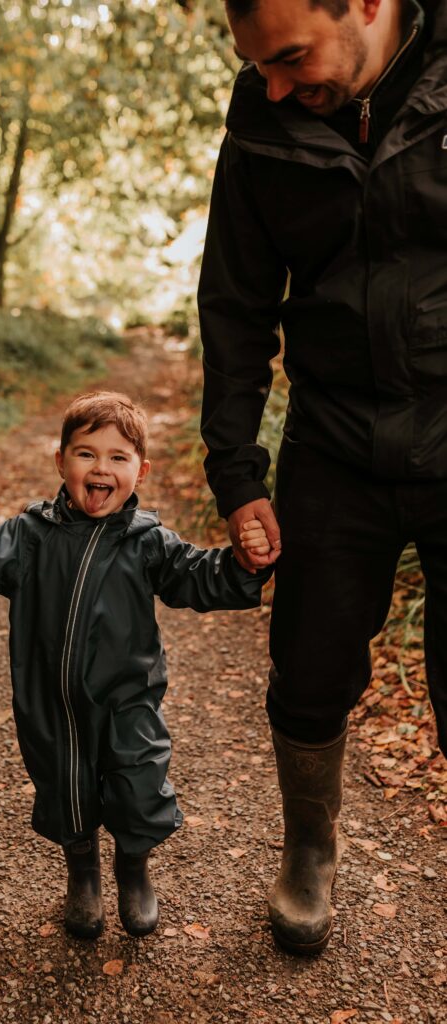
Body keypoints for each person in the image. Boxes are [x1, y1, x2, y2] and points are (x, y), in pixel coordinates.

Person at [198, 0, 447, 956]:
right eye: (255, 64)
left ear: (368, 5)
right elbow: (234, 303)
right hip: (333, 444)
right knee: (306, 670)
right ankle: (308, 848)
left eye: (290, 56)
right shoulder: (261, 119)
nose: (271, 83)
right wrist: (236, 469)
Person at [0, 391, 272, 939]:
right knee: (63, 786)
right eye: (85, 454)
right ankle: (82, 873)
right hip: (49, 701)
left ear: (140, 472)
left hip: (128, 699)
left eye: (118, 458)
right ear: (61, 461)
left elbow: (200, 576)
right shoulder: (30, 535)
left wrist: (243, 563)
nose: (101, 468)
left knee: (138, 783)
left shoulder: (146, 541)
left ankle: (133, 868)